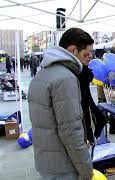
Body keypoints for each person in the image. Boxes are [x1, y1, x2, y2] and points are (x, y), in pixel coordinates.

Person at [28, 28, 94, 180]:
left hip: (47, 160)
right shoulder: (65, 78)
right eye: (86, 53)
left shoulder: (43, 72)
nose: (89, 57)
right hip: (63, 166)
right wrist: (86, 170)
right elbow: (70, 131)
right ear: (72, 50)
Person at [77, 53, 107, 145]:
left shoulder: (85, 73)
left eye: (91, 53)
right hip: (82, 122)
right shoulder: (77, 74)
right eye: (86, 52)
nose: (90, 56)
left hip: (87, 117)